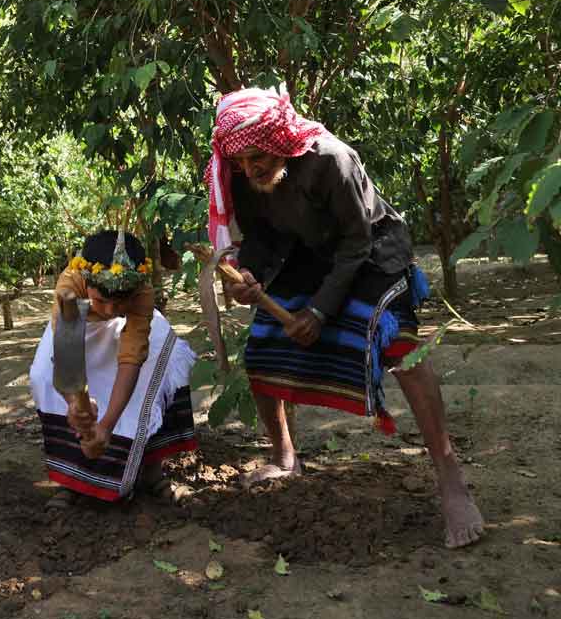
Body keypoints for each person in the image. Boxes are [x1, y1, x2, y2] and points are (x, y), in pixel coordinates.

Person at [204, 87, 484, 548]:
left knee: (401, 349)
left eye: (258, 157)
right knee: (263, 346)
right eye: (240, 161)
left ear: (281, 139)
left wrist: (317, 311)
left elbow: (356, 243)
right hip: (307, 257)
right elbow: (261, 238)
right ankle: (285, 456)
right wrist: (248, 275)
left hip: (371, 251)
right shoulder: (242, 174)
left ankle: (450, 477)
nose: (250, 169)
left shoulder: (333, 159)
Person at [30, 230, 198, 507]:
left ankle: (152, 471)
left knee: (161, 364)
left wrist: (106, 426)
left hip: (129, 333)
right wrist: (75, 404)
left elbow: (131, 358)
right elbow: (68, 356)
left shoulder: (142, 293)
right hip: (75, 333)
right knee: (41, 376)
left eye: (119, 302)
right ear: (86, 283)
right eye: (101, 300)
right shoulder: (70, 285)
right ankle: (73, 480)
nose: (109, 310)